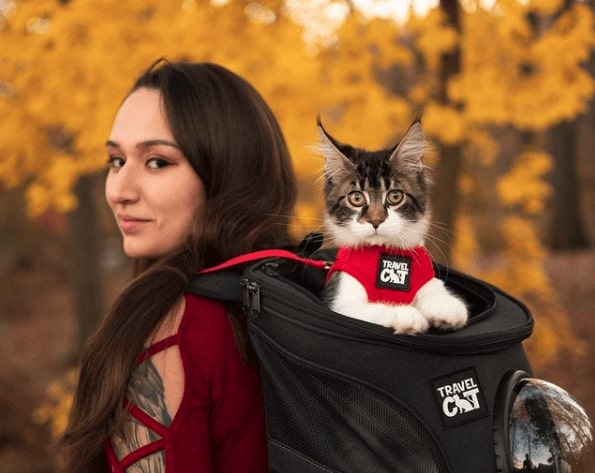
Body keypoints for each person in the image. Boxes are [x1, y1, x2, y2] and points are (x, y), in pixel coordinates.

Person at [60, 59, 298, 473]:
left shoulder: (178, 331)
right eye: (116, 161)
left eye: (157, 162)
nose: (119, 191)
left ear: (224, 175)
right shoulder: (291, 298)